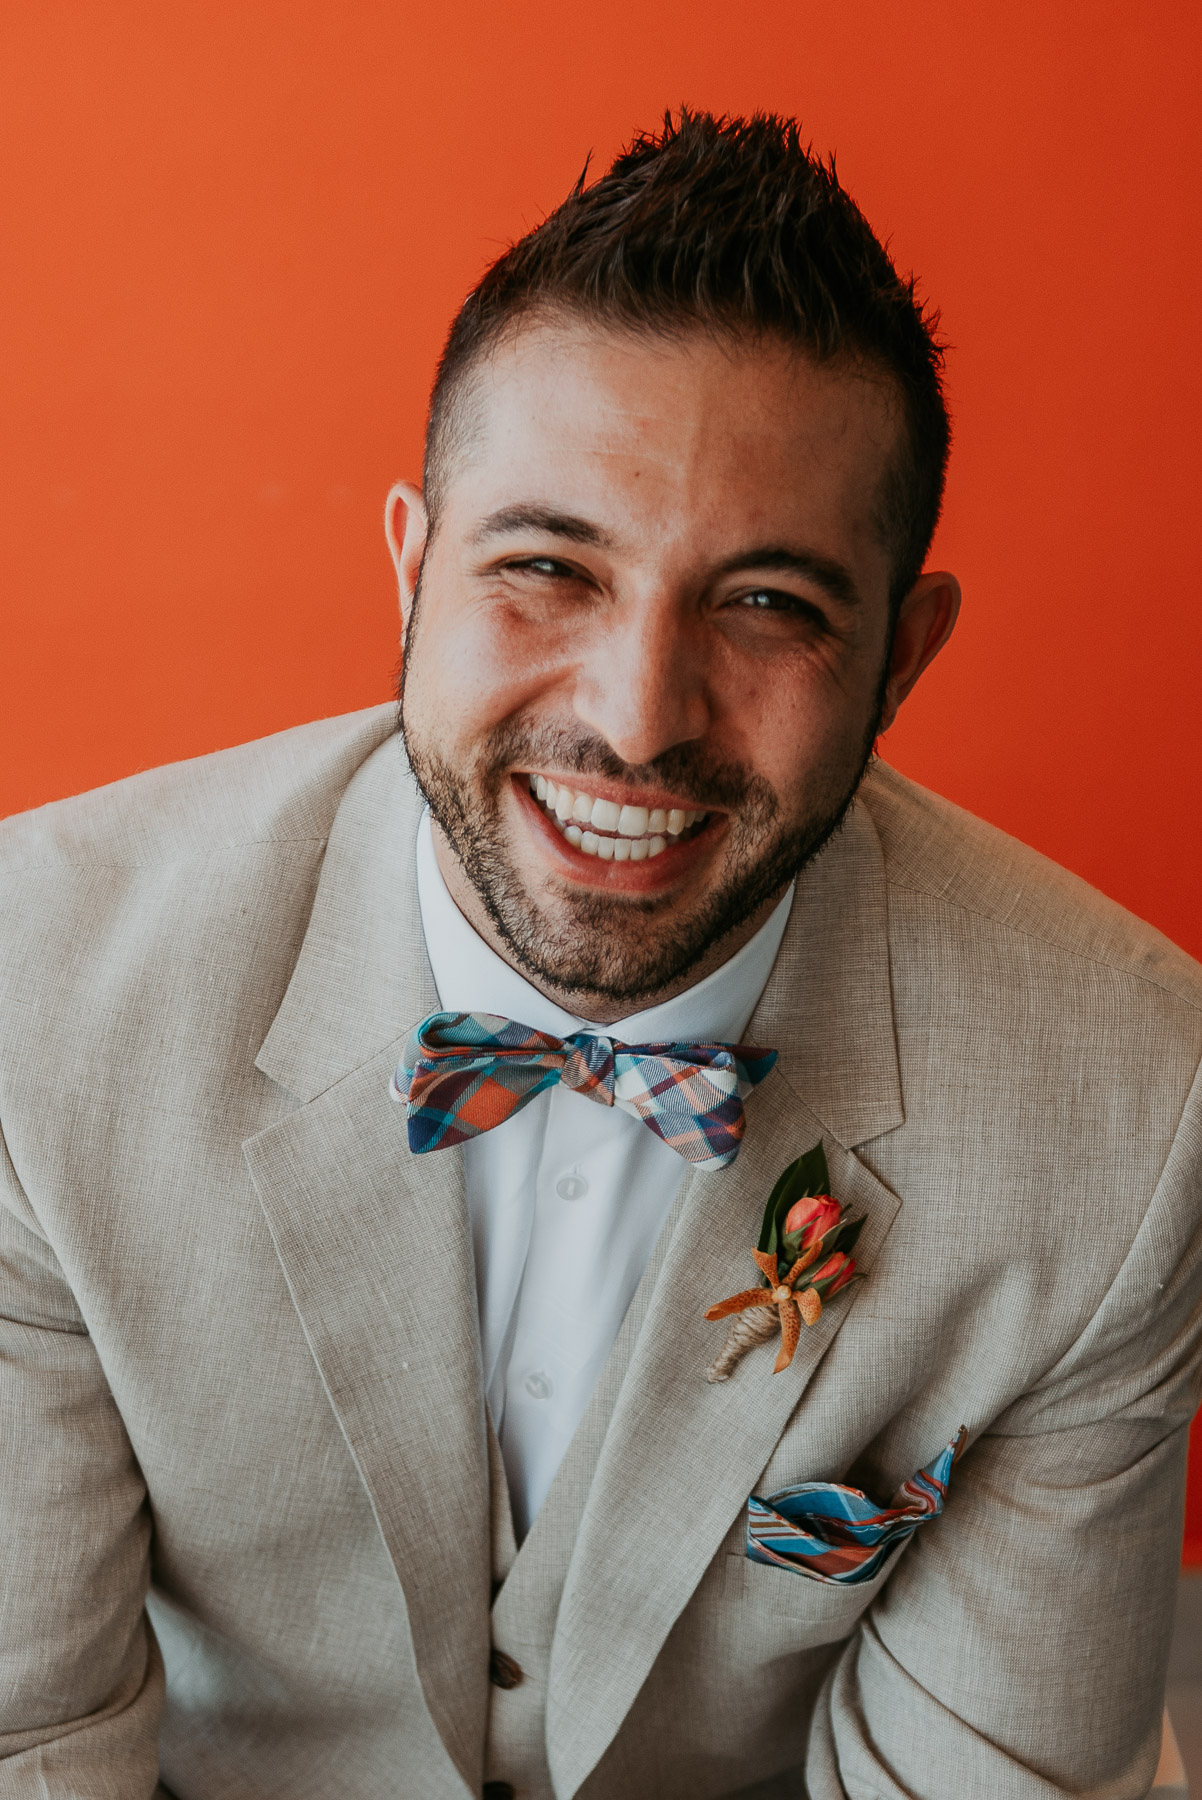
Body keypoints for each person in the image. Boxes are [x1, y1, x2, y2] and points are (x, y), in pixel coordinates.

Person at [0, 108, 1198, 1800]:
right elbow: (27, 1733)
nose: (637, 718)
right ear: (413, 571)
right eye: (546, 567)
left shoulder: (1134, 1108)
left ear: (902, 656)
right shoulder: (33, 991)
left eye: (769, 603)